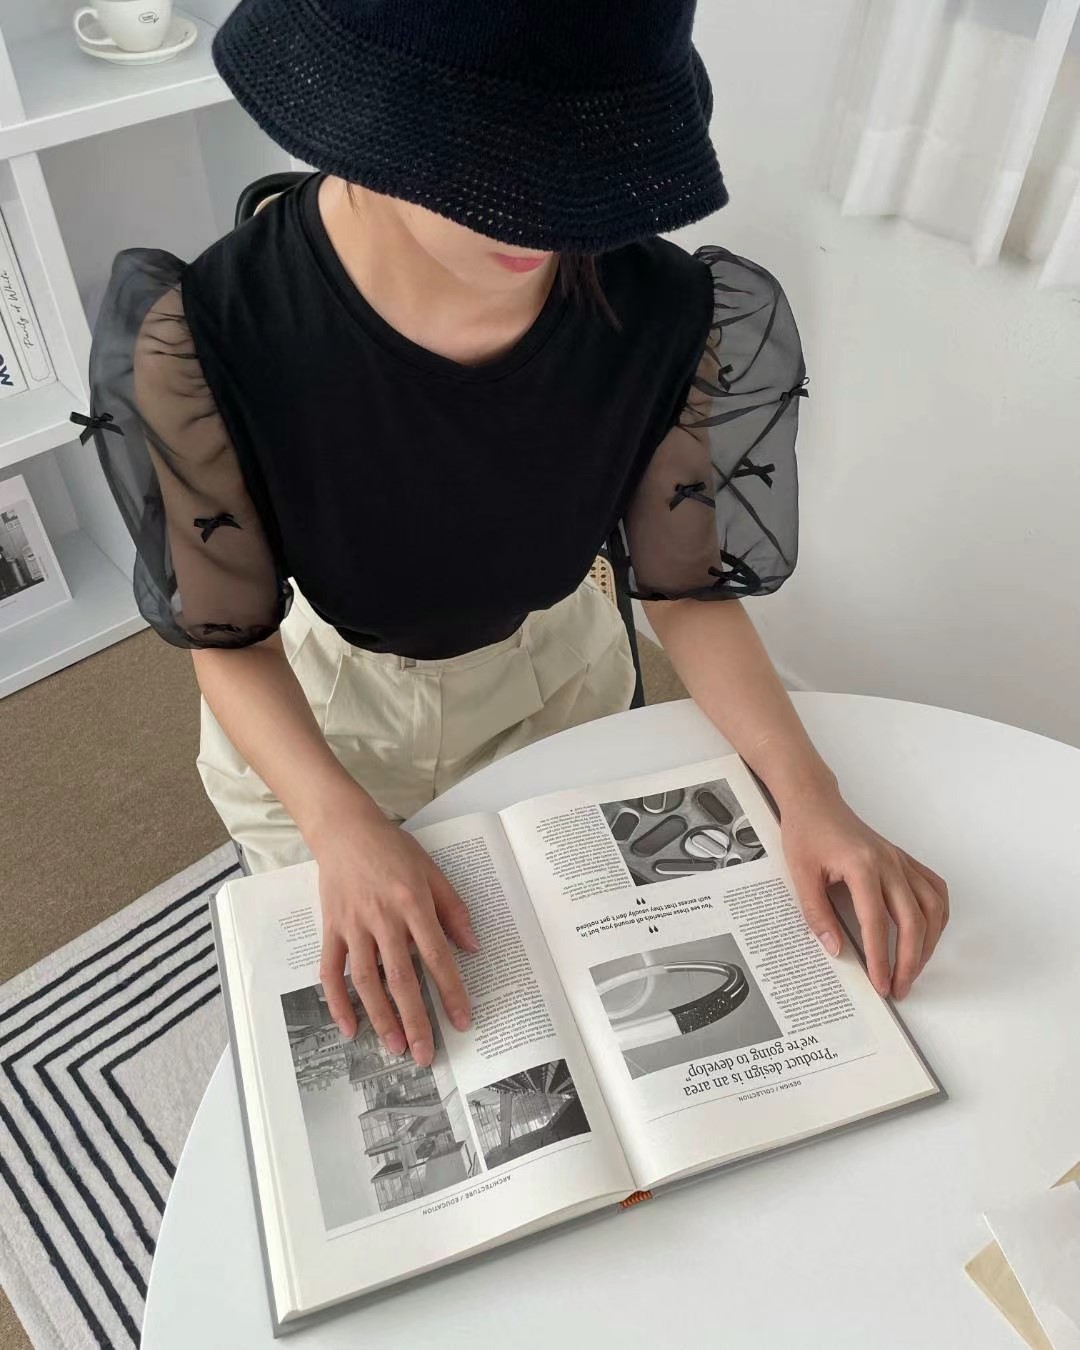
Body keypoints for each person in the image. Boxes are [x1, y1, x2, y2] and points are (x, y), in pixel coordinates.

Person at [81, 0, 948, 1070]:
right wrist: (341, 829)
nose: (547, 224)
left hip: (561, 691)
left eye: (579, 166)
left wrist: (812, 796)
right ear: (373, 110)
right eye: (496, 168)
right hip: (323, 720)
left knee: (607, 1020)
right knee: (414, 1045)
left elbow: (685, 591)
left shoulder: (664, 309)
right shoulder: (212, 333)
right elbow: (233, 643)